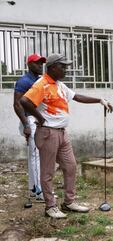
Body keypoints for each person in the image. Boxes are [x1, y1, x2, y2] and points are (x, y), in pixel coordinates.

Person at [20, 53, 113, 219]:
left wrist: (100, 100)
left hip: (62, 132)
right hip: (48, 132)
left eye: (66, 66)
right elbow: (25, 101)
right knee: (48, 172)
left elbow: (76, 96)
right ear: (52, 67)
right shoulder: (41, 84)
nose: (66, 69)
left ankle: (69, 202)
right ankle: (50, 206)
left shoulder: (59, 85)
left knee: (70, 166)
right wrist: (40, 118)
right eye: (62, 66)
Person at [13, 54, 46, 201]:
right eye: (37, 63)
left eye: (41, 63)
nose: (40, 65)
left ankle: (33, 189)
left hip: (37, 120)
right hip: (30, 121)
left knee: (34, 155)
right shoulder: (24, 81)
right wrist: (26, 124)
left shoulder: (39, 80)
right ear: (29, 65)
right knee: (36, 156)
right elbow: (17, 104)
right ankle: (40, 192)